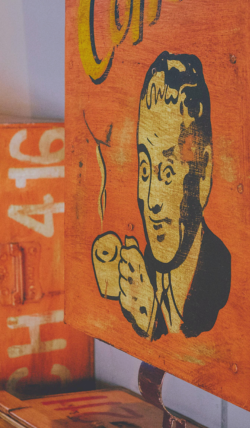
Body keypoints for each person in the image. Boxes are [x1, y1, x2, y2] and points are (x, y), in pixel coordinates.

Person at [91, 52, 231, 340]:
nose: (152, 201)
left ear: (203, 171)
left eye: (167, 173)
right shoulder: (145, 268)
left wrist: (152, 321)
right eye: (145, 170)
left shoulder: (217, 275)